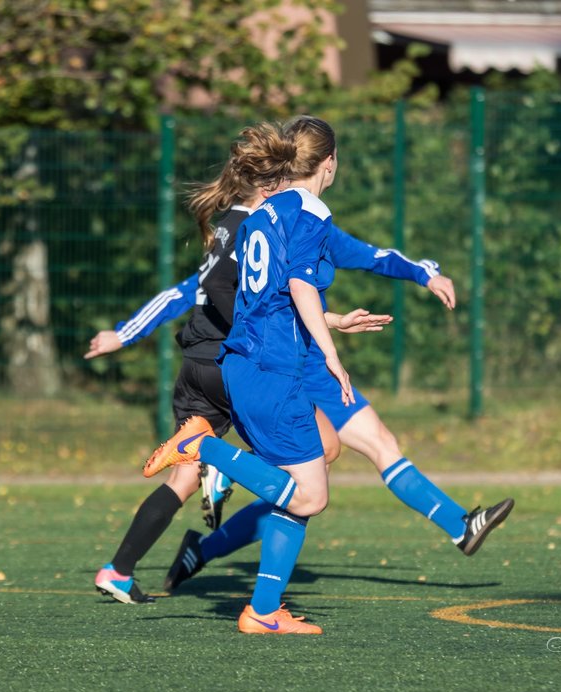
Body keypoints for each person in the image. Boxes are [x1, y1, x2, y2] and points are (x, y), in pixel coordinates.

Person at [88, 122, 387, 605]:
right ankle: (223, 473)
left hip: (195, 365)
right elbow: (252, 301)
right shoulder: (269, 223)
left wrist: (124, 333)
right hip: (234, 364)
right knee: (323, 452)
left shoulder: (226, 225)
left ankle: (118, 570)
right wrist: (326, 330)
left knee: (181, 480)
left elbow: (186, 292)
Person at [143, 115, 351, 634]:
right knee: (311, 494)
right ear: (329, 164)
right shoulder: (309, 212)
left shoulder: (260, 215)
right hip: (273, 371)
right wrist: (331, 352)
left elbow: (263, 301)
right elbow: (301, 288)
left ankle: (263, 610)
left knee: (301, 486)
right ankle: (201, 447)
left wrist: (332, 321)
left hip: (244, 362)